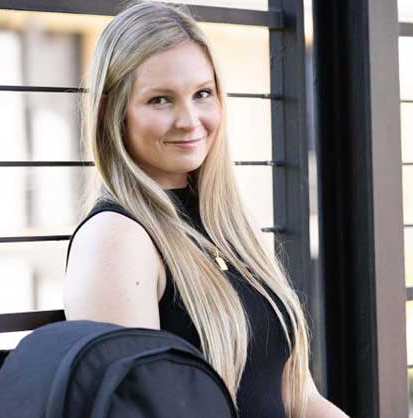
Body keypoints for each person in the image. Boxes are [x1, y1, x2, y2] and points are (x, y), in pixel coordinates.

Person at [63, 2, 348, 418]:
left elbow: (299, 399)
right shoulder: (117, 238)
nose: (189, 120)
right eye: (160, 100)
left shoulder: (226, 227)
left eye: (202, 94)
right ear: (113, 112)